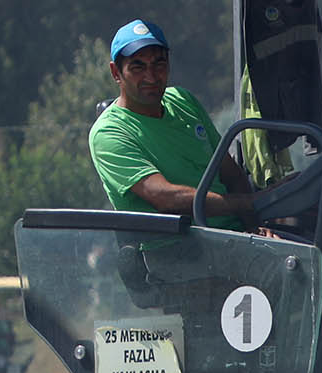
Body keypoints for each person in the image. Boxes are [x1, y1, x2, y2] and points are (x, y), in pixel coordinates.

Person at [89, 18, 257, 228]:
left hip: (235, 240)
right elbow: (164, 198)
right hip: (177, 251)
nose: (151, 77)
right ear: (116, 73)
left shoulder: (183, 100)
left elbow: (231, 174)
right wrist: (248, 203)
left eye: (158, 64)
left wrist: (256, 228)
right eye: (138, 67)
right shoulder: (109, 132)